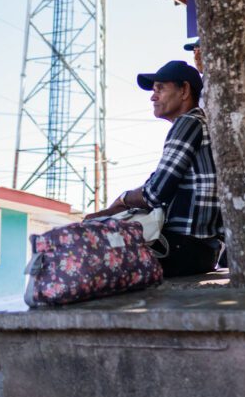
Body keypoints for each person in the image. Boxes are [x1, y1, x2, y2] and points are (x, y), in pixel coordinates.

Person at [85, 60, 222, 277]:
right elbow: (157, 181)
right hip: (199, 249)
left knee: (92, 262)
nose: (153, 96)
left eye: (160, 88)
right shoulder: (201, 123)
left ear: (184, 90)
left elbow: (155, 192)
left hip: (182, 248)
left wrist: (122, 200)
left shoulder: (189, 123)